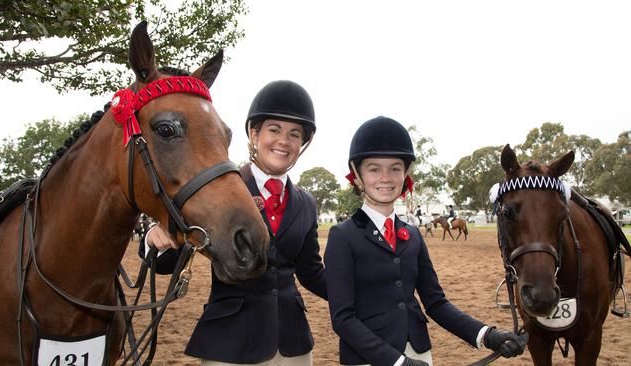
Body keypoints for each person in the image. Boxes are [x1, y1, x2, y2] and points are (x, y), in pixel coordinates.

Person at [140, 80, 327, 365]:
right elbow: (168, 264)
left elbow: (311, 272)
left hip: (293, 344)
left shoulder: (306, 204)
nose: (283, 141)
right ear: (254, 134)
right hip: (230, 342)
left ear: (301, 143)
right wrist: (155, 239)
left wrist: (360, 292)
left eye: (294, 134)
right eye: (274, 130)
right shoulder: (217, 189)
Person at [324, 116, 528, 366]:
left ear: (405, 174)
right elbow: (343, 318)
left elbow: (435, 303)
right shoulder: (342, 235)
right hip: (370, 358)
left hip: (419, 353)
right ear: (357, 176)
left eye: (395, 168)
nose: (386, 177)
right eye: (374, 169)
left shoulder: (412, 235)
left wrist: (488, 335)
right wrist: (398, 363)